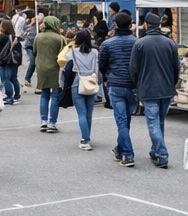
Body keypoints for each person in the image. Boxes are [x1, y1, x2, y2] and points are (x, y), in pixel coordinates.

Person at [131, 12, 180, 168]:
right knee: (159, 121)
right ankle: (156, 151)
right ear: (159, 25)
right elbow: (176, 67)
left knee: (153, 123)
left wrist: (137, 84)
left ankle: (161, 154)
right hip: (166, 88)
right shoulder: (170, 43)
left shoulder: (140, 44)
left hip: (148, 88)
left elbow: (133, 68)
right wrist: (172, 83)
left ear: (146, 25)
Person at [99, 11, 140, 165]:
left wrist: (106, 77)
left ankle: (127, 154)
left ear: (115, 24)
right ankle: (120, 149)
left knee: (121, 120)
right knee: (126, 119)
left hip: (115, 84)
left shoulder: (107, 44)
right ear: (130, 25)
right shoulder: (137, 43)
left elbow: (102, 65)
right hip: (133, 85)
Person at [65, 28, 100, 150]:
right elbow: (97, 68)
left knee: (81, 113)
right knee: (89, 113)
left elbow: (66, 66)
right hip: (91, 81)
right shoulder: (95, 52)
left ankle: (85, 139)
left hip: (78, 81)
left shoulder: (73, 52)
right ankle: (87, 137)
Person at [33, 15, 67, 132]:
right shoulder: (60, 38)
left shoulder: (38, 37)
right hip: (56, 68)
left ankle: (43, 120)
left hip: (41, 68)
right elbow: (64, 54)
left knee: (44, 94)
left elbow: (35, 51)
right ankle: (52, 123)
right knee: (55, 95)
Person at [0, 19, 22, 105]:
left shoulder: (2, 37)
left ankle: (9, 96)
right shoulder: (15, 37)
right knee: (14, 78)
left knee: (5, 79)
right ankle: (17, 94)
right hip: (14, 60)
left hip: (5, 60)